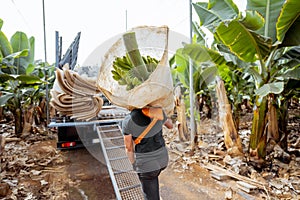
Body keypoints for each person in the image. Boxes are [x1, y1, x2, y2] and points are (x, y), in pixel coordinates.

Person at [122, 107, 173, 200]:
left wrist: (133, 164)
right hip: (163, 159)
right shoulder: (158, 112)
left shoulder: (128, 121)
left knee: (150, 189)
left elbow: (128, 148)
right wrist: (163, 114)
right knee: (153, 180)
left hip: (147, 165)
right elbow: (170, 125)